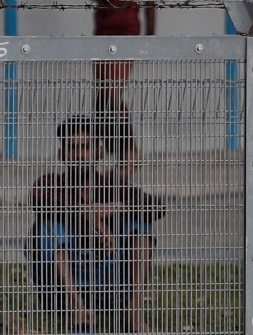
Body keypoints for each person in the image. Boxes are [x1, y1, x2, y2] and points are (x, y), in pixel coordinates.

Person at [27, 115, 164, 333]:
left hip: (110, 275)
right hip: (70, 279)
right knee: (46, 227)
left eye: (86, 147)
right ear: (61, 155)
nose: (80, 155)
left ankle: (134, 312)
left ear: (99, 152)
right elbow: (39, 198)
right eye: (73, 148)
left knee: (141, 223)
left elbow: (157, 206)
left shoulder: (111, 186)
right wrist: (93, 219)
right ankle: (77, 308)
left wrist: (116, 207)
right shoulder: (51, 183)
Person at [69, 0, 155, 161]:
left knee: (110, 92)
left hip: (126, 31)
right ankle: (114, 149)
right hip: (102, 30)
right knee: (102, 94)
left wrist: (150, 37)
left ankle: (125, 151)